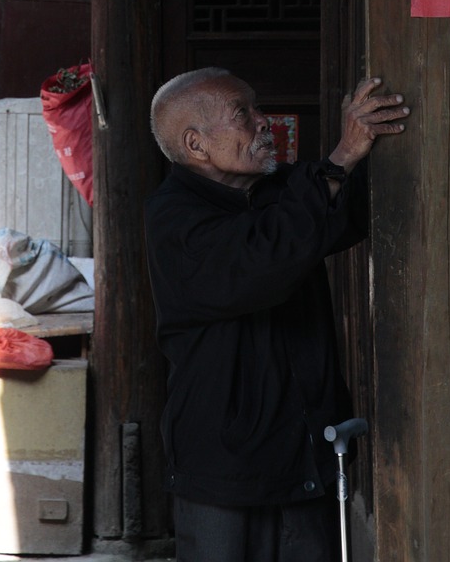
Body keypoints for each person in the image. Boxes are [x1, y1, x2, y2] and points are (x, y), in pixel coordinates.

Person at [144, 68, 409, 562]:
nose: (263, 122)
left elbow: (338, 208)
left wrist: (386, 140)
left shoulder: (271, 192)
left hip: (304, 452)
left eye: (257, 107)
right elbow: (264, 262)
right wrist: (342, 157)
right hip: (224, 465)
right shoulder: (173, 218)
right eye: (243, 113)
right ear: (195, 144)